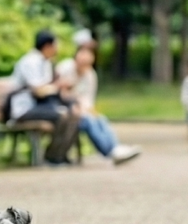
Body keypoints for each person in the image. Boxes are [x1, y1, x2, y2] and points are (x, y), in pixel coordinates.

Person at [57, 34, 142, 165]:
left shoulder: (90, 75)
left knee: (100, 119)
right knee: (89, 122)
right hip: (66, 109)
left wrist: (87, 110)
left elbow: (88, 100)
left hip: (82, 110)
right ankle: (111, 152)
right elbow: (58, 91)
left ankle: (115, 148)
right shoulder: (65, 68)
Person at [10, 29, 83, 165]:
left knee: (74, 113)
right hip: (25, 108)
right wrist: (57, 86)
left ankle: (60, 154)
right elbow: (38, 90)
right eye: (56, 45)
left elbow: (49, 87)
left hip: (42, 105)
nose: (57, 49)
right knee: (62, 115)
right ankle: (51, 156)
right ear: (47, 46)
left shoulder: (46, 62)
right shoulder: (30, 62)